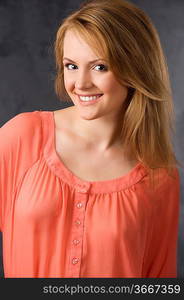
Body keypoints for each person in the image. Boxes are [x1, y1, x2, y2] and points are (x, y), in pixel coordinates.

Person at [0, 0, 181, 278]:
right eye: (71, 66)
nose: (81, 83)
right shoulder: (22, 138)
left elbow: (157, 280)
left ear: (136, 70)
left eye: (100, 67)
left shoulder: (160, 173)